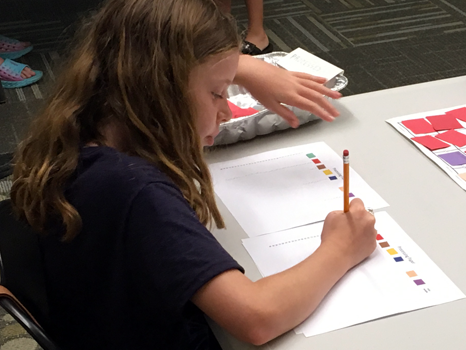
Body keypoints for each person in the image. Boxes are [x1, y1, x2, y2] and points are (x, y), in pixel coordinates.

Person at [10, 0, 377, 349]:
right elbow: (257, 318)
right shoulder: (135, 191)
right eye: (218, 94)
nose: (227, 112)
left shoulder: (84, 123)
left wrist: (244, 70)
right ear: (162, 90)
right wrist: (341, 249)